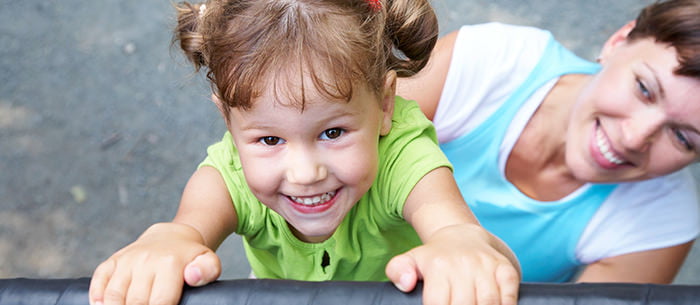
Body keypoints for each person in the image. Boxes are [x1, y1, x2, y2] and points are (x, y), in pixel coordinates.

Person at [88, 1, 522, 305]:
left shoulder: (403, 158)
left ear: (386, 105)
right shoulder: (229, 174)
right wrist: (166, 241)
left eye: (332, 132)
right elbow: (186, 230)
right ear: (228, 122)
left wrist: (459, 245)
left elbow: (453, 227)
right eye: (270, 140)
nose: (305, 172)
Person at [397, 0, 700, 284]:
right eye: (644, 89)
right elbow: (354, 138)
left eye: (682, 137)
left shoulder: (663, 219)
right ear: (619, 41)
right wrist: (453, 233)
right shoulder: (492, 62)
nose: (634, 138)